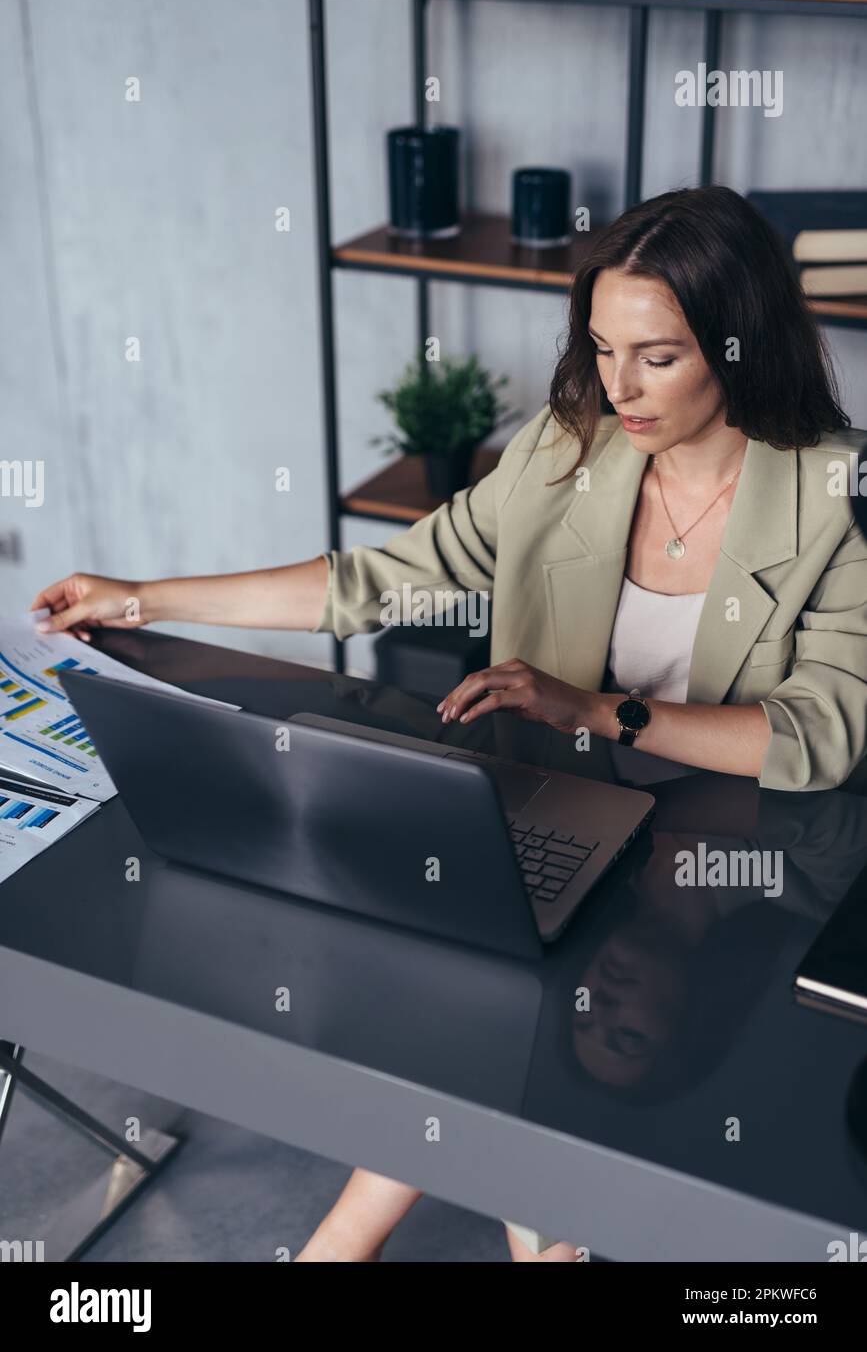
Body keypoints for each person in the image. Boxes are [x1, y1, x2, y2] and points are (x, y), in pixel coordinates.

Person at [31, 185, 867, 1260]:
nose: (620, 387)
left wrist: (595, 707)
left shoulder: (836, 490)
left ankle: (395, 1235)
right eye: (603, 347)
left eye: (657, 355)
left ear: (740, 344)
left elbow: (821, 733)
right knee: (436, 976)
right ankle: (501, 1227)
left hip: (739, 858)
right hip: (552, 816)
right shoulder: (569, 451)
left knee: (495, 1009)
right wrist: (143, 595)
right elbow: (381, 581)